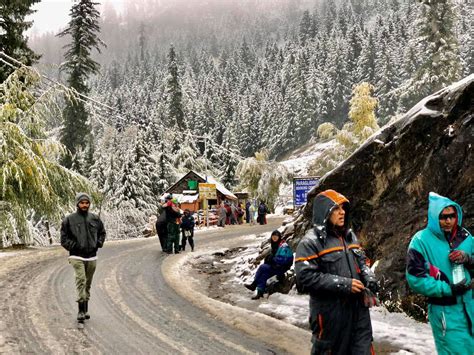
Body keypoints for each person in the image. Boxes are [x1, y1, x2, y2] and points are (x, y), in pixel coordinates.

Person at [295, 189, 377, 355]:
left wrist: (368, 277)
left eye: (343, 208)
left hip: (358, 311)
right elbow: (305, 277)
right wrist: (344, 284)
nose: (342, 212)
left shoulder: (350, 237)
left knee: (363, 350)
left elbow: (362, 262)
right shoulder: (310, 242)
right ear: (324, 212)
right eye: (336, 209)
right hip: (330, 313)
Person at [406, 192, 473, 354]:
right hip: (445, 312)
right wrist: (449, 289)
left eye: (452, 216)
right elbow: (416, 278)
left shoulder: (465, 237)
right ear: (434, 217)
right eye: (443, 217)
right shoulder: (421, 241)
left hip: (470, 308)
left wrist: (469, 259)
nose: (448, 220)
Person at [60, 192, 106, 323]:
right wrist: (74, 246)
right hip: (76, 256)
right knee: (81, 279)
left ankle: (85, 308)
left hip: (91, 256)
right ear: (77, 204)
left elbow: (102, 233)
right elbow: (63, 239)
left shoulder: (95, 219)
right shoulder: (69, 220)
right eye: (82, 203)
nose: (84, 205)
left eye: (87, 203)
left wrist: (98, 243)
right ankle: (80, 310)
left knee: (88, 283)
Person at [245, 230, 294, 299]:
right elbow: (272, 257)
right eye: (273, 236)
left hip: (282, 268)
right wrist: (269, 259)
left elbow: (284, 260)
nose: (274, 238)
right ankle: (259, 292)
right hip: (276, 266)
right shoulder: (275, 245)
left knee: (262, 267)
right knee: (264, 275)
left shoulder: (283, 247)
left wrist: (273, 260)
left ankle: (254, 284)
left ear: (279, 237)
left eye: (276, 237)